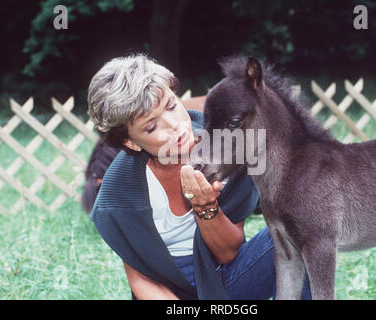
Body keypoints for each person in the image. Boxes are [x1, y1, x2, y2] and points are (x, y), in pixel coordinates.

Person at [87, 53, 311, 300]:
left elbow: (228, 253)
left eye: (171, 106)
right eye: (151, 126)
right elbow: (142, 281)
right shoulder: (119, 192)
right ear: (130, 141)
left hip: (227, 280)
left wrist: (205, 206)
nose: (174, 124)